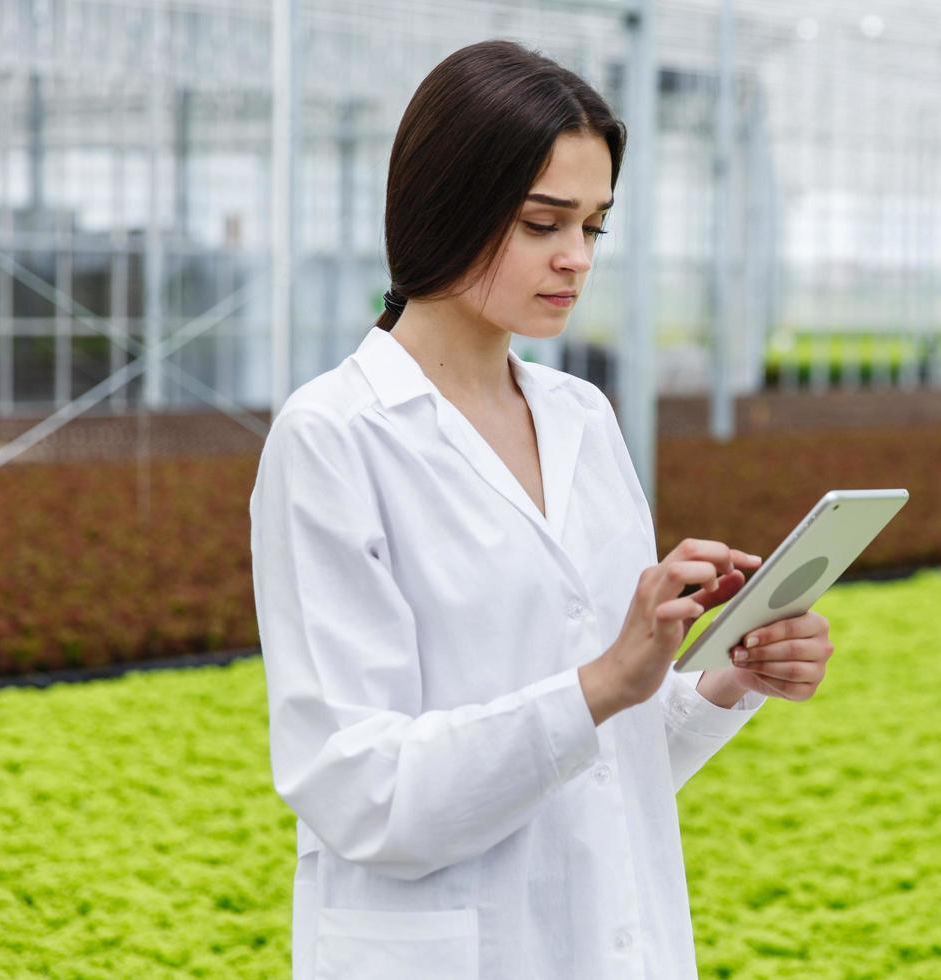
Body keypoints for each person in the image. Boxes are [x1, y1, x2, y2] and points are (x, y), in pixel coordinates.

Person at [248, 38, 834, 980]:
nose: (576, 259)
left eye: (595, 227)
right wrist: (606, 678)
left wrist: (728, 673)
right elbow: (363, 792)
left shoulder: (581, 418)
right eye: (540, 223)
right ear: (446, 203)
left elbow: (608, 765)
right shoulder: (334, 437)